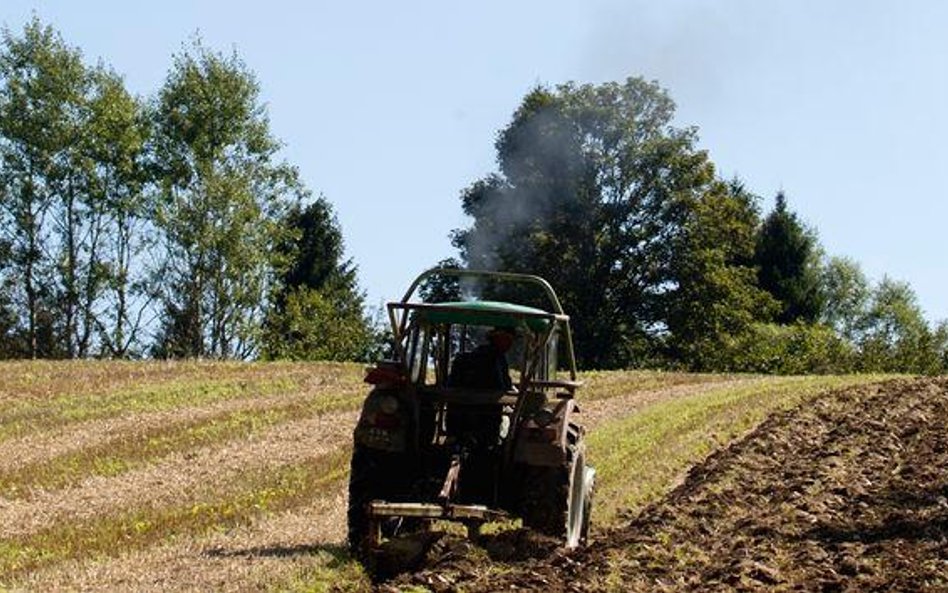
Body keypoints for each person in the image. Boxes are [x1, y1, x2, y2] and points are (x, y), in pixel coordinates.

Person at [447, 326, 516, 391]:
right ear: (496, 338)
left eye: (511, 340)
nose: (510, 343)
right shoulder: (487, 356)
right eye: (507, 338)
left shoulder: (501, 359)